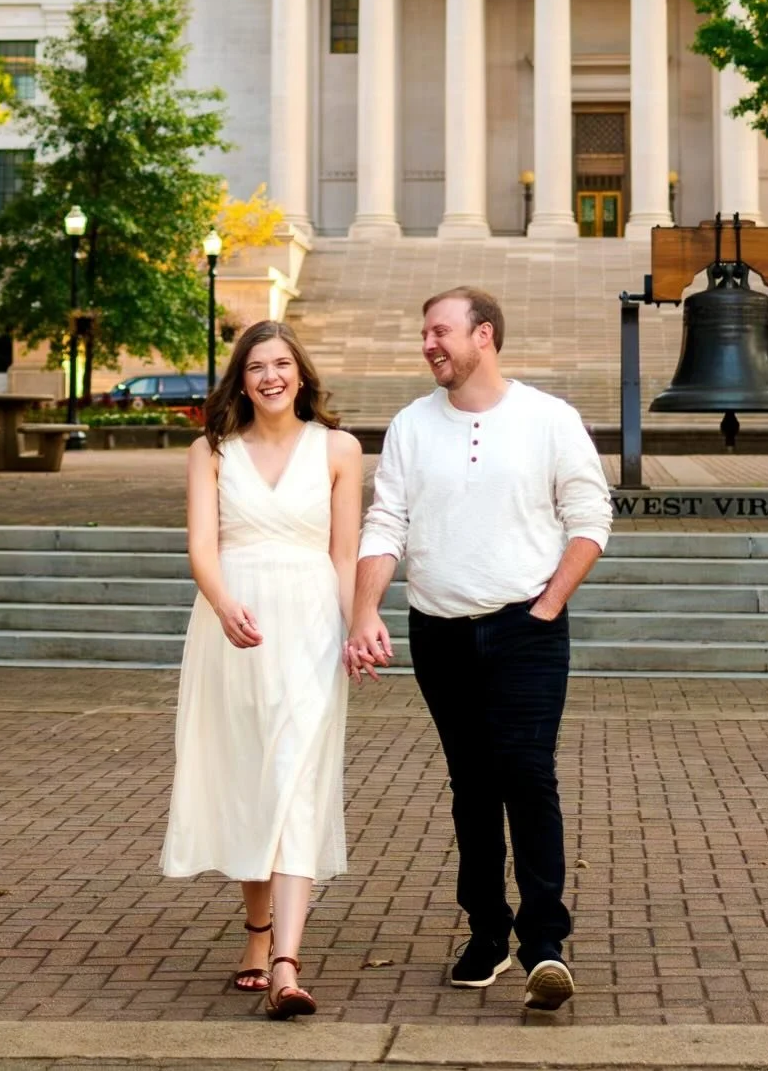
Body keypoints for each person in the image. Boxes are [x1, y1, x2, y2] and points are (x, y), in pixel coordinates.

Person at [346, 287, 612, 1011]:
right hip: (437, 630)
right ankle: (487, 931)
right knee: (471, 785)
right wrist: (365, 609)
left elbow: (590, 515)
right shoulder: (409, 424)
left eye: (439, 331)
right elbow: (385, 522)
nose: (428, 343)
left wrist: (549, 602)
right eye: (423, 333)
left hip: (525, 628)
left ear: (482, 335)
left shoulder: (547, 418)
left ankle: (545, 944)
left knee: (527, 777)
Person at [161, 320, 363, 1021]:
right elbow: (201, 544)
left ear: (301, 374)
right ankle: (255, 933)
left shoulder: (339, 449)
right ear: (239, 380)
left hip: (309, 625)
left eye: (281, 363)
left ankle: (285, 960)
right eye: (255, 366)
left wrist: (357, 623)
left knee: (295, 775)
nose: (270, 375)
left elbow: (344, 554)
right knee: (251, 773)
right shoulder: (210, 451)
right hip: (233, 626)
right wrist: (222, 606)